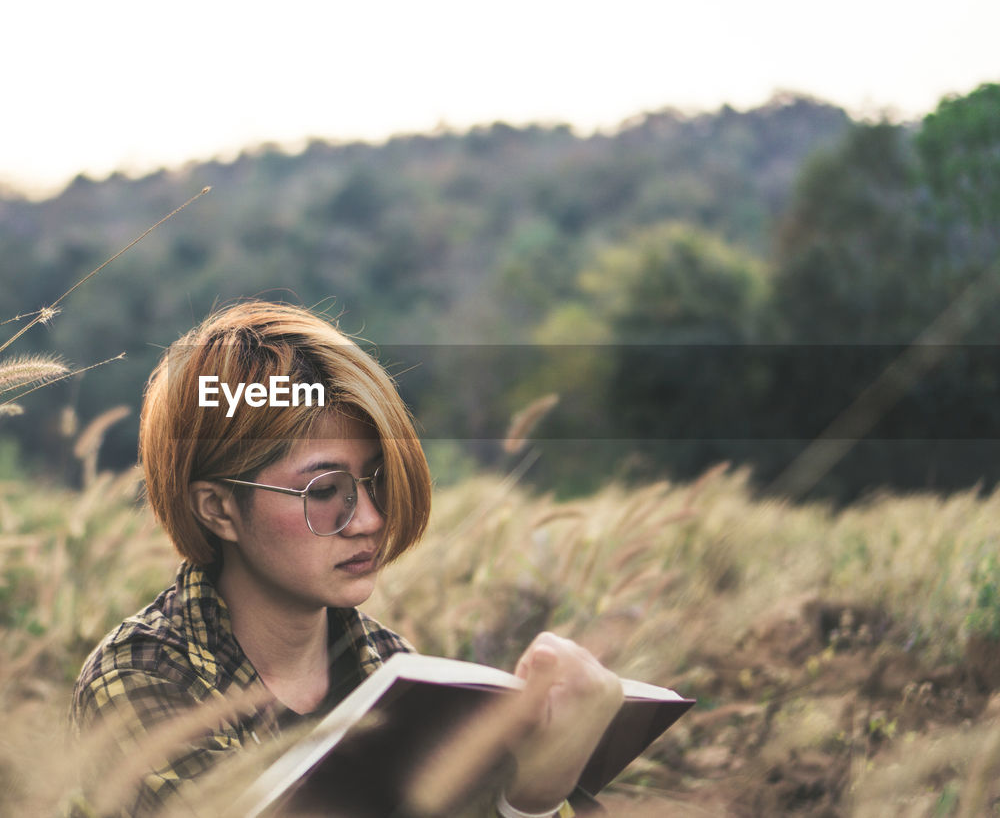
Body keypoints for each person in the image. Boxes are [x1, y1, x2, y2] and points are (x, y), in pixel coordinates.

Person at [70, 301, 624, 817]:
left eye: (377, 479)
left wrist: (536, 796)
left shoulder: (396, 672)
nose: (371, 519)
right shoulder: (140, 679)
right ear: (218, 509)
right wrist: (526, 799)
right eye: (322, 490)